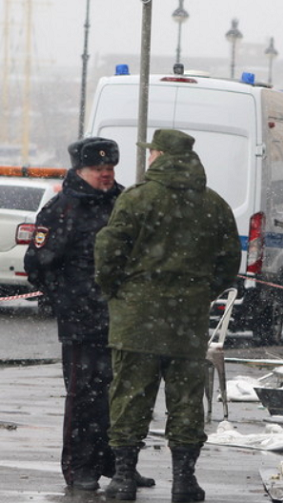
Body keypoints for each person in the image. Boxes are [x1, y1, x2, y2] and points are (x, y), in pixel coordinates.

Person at [95, 129, 240, 502]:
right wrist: (200, 294)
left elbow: (109, 251)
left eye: (150, 153)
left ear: (158, 155)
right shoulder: (214, 204)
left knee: (129, 397)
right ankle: (184, 480)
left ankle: (124, 476)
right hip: (187, 321)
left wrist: (115, 292)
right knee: (187, 401)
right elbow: (228, 264)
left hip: (136, 319)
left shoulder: (137, 199)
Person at [23, 137, 154, 492]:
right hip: (81, 321)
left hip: (123, 318)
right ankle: (81, 468)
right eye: (98, 169)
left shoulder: (125, 202)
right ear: (80, 170)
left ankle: (119, 464)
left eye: (110, 168)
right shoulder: (61, 209)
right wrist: (66, 297)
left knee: (122, 395)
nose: (106, 174)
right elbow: (38, 263)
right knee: (84, 398)